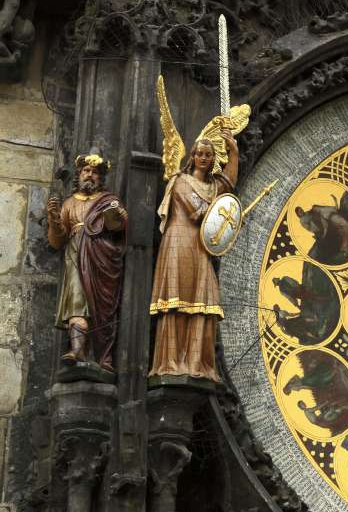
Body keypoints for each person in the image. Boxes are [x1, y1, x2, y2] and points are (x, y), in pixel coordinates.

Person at [149, 127, 238, 381]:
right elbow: (198, 211)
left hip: (200, 248)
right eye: (199, 153)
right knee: (177, 299)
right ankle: (172, 361)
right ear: (192, 156)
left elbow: (229, 183)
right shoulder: (181, 182)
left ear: (213, 159)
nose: (203, 158)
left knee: (204, 301)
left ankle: (197, 362)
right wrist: (225, 214)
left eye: (209, 155)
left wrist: (233, 151)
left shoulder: (213, 185)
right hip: (180, 242)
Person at [47, 151, 127, 370]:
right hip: (75, 255)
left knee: (103, 307)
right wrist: (54, 219)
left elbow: (119, 226)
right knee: (77, 302)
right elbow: (56, 241)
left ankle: (103, 356)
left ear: (100, 178)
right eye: (86, 171)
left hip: (102, 258)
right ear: (79, 175)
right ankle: (77, 350)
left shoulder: (108, 200)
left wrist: (115, 215)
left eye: (94, 172)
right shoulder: (70, 203)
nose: (90, 175)